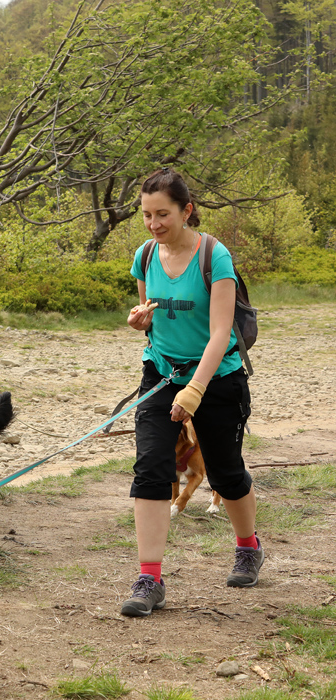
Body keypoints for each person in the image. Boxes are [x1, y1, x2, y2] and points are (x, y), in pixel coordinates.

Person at [121, 167, 260, 617]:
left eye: (163, 214)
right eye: (147, 215)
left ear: (187, 211)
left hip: (217, 378)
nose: (154, 224)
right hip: (161, 375)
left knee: (225, 473)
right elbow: (152, 320)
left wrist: (195, 390)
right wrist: (140, 321)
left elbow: (220, 332)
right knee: (151, 469)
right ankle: (150, 579)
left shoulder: (214, 256)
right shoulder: (145, 256)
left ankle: (248, 547)